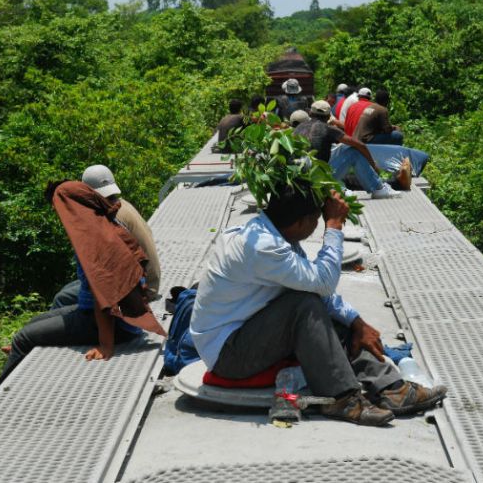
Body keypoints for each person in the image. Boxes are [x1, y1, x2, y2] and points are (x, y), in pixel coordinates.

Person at [189, 181, 448, 426]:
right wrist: (334, 227)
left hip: (249, 333)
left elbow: (318, 288)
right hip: (228, 354)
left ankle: (390, 388)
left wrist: (357, 322)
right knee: (305, 306)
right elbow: (322, 284)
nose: (318, 225)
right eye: (316, 219)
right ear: (301, 222)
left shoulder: (273, 235)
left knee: (327, 313)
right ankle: (340, 398)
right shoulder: (261, 247)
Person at [0, 180, 167, 391]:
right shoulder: (101, 225)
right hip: (109, 315)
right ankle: (21, 353)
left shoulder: (94, 241)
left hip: (117, 324)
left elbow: (102, 295)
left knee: (23, 337)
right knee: (34, 322)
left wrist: (106, 346)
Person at [51, 165, 161, 308]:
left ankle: (82, 328)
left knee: (62, 298)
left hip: (141, 290)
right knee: (68, 289)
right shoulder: (123, 205)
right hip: (150, 281)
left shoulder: (110, 217)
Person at [294, 100, 402, 199]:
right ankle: (378, 188)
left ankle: (341, 188)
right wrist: (374, 165)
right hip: (319, 178)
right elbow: (360, 145)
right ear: (328, 117)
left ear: (310, 114)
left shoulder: (299, 128)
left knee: (339, 149)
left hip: (300, 177)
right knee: (353, 152)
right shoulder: (328, 129)